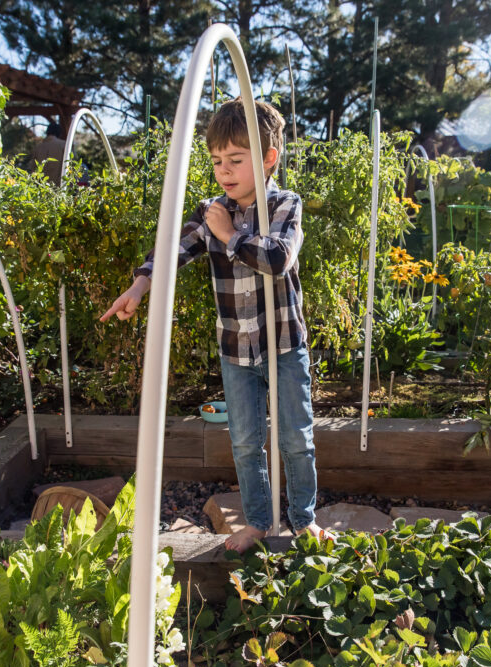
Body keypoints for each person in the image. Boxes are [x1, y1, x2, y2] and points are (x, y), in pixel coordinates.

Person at [98, 98, 329, 552]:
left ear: (268, 159)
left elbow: (279, 259)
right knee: (245, 442)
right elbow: (172, 250)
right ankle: (258, 522)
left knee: (296, 439)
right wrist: (138, 288)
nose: (224, 170)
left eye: (236, 160)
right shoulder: (210, 211)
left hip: (284, 345)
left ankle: (304, 521)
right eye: (218, 161)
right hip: (236, 351)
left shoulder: (285, 205)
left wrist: (229, 236)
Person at [32, 120, 67, 185]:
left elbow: (33, 169)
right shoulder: (65, 145)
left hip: (41, 189)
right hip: (60, 188)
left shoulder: (38, 147)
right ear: (59, 133)